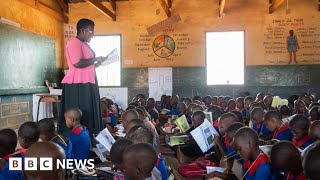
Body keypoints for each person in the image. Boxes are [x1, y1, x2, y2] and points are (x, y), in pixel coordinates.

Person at [58, 18, 106, 136]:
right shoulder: (73, 42)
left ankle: (88, 136)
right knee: (82, 112)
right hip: (77, 85)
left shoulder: (84, 44)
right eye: (91, 31)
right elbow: (77, 63)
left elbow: (87, 67)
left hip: (87, 83)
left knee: (89, 111)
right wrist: (96, 58)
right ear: (83, 30)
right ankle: (78, 137)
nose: (93, 34)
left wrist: (98, 64)